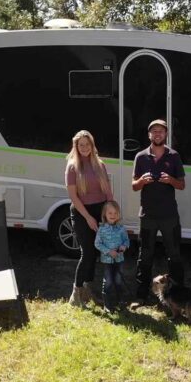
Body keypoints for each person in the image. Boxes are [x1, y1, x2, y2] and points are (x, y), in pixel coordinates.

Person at [132, 118, 185, 302]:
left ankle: (178, 295)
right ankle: (141, 296)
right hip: (148, 216)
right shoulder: (140, 157)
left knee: (174, 255)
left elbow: (182, 185)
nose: (157, 134)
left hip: (169, 215)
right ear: (149, 135)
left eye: (161, 131)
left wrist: (170, 180)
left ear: (166, 134)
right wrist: (141, 181)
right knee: (145, 256)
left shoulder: (174, 156)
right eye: (154, 131)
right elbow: (134, 186)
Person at [66, 130, 114, 306]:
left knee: (95, 253)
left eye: (87, 144)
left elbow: (107, 191)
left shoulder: (100, 164)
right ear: (76, 147)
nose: (84, 147)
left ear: (92, 145)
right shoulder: (72, 167)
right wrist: (88, 218)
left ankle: (88, 292)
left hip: (100, 210)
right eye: (81, 145)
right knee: (87, 253)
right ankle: (76, 294)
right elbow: (73, 197)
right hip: (81, 212)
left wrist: (111, 213)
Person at [94, 200, 130, 311]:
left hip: (119, 259)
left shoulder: (121, 229)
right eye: (110, 213)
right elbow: (97, 244)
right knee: (108, 282)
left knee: (119, 280)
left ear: (118, 214)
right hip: (106, 260)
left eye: (115, 213)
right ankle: (108, 305)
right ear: (105, 214)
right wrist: (109, 252)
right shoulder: (101, 229)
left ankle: (121, 302)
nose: (113, 216)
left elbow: (126, 241)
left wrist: (124, 247)